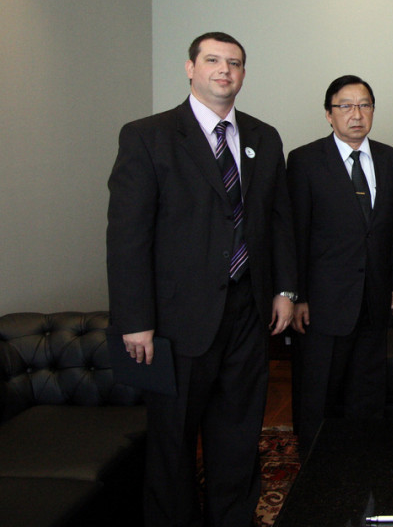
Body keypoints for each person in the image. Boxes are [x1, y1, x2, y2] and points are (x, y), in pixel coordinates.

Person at [107, 32, 297, 526]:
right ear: (190, 68)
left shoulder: (263, 137)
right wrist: (135, 320)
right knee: (171, 439)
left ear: (243, 74)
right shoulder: (147, 136)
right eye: (212, 60)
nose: (224, 70)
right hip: (174, 319)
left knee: (237, 432)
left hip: (248, 312)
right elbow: (127, 237)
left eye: (234, 63)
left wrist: (284, 290)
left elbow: (278, 221)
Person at [286, 75, 393, 453]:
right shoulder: (305, 161)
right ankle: (316, 469)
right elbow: (296, 234)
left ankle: (362, 466)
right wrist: (297, 296)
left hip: (374, 299)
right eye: (346, 106)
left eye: (365, 105)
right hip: (322, 303)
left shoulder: (391, 159)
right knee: (318, 393)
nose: (356, 114)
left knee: (368, 393)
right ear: (329, 114)